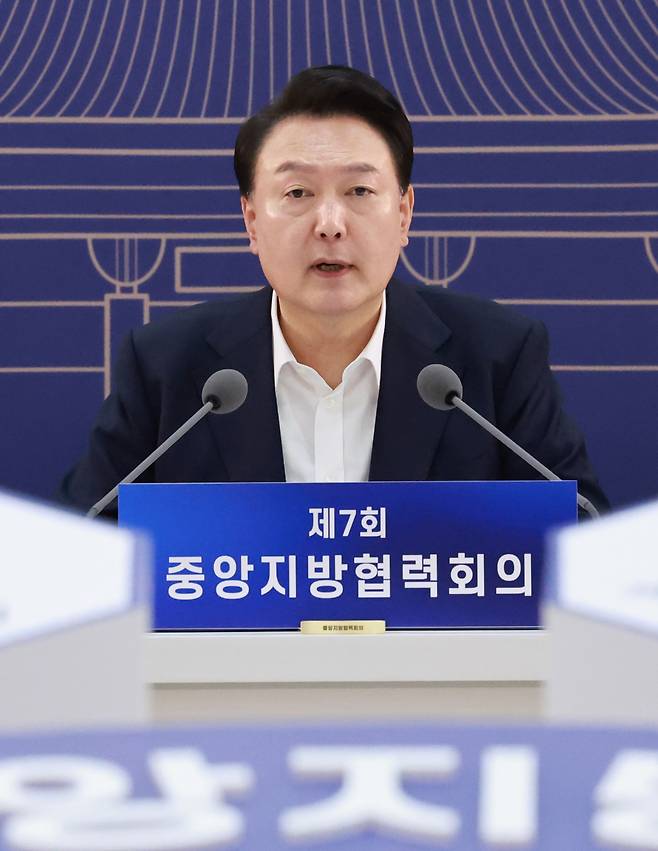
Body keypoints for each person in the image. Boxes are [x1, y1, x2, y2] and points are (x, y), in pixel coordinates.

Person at [58, 65, 608, 517]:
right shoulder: (167, 368)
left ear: (404, 213)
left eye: (359, 190)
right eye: (297, 192)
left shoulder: (495, 359)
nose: (329, 223)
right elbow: (83, 548)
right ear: (251, 220)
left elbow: (583, 535)